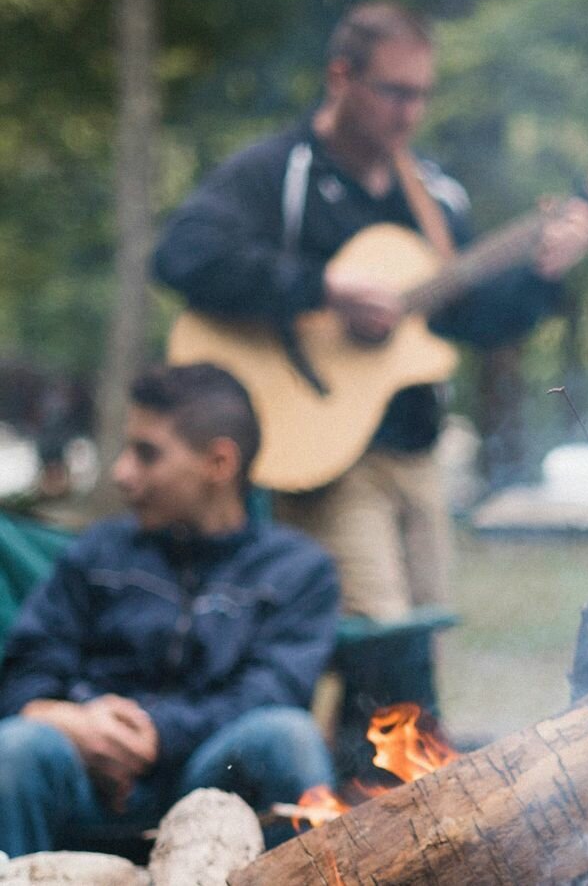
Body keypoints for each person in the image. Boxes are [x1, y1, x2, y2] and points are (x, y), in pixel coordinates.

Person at [153, 0, 588, 624]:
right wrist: (321, 288)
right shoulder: (279, 172)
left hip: (417, 453)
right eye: (394, 92)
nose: (410, 112)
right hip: (323, 455)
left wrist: (542, 276)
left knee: (426, 636)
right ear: (341, 78)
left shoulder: (435, 196)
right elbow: (182, 255)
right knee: (380, 635)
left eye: (422, 95)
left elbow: (471, 321)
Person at [0, 364, 338, 857]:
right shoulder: (98, 551)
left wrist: (156, 733)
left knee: (288, 737)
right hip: (87, 778)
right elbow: (26, 669)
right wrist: (70, 721)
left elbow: (272, 692)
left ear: (219, 463)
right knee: (17, 747)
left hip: (211, 779)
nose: (121, 473)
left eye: (147, 454)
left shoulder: (299, 570)